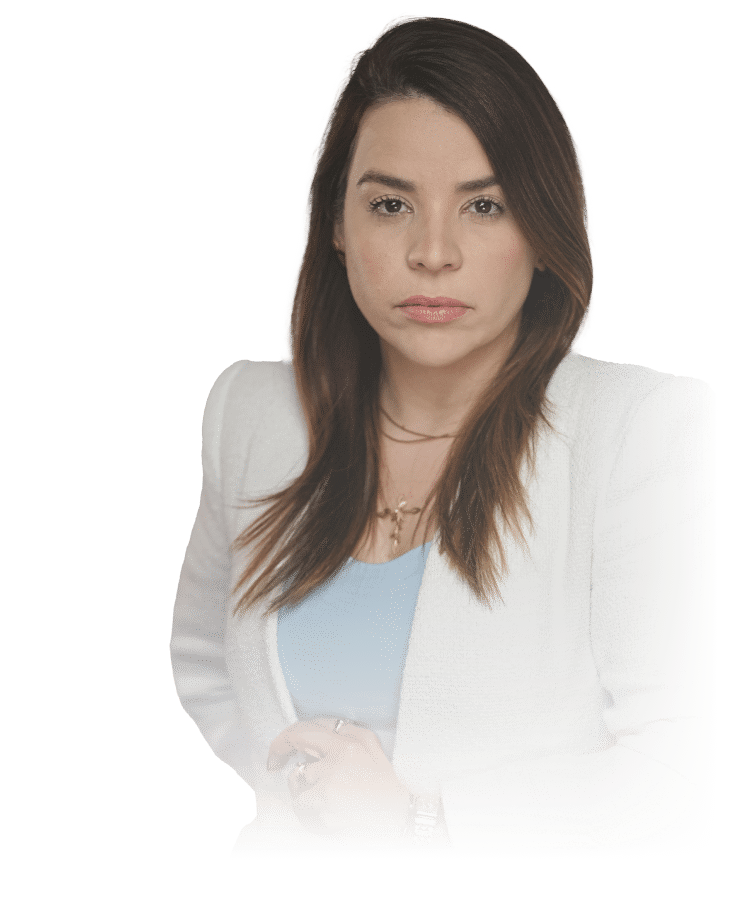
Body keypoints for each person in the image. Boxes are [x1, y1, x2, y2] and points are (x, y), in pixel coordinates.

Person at [170, 13, 715, 856]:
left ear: (543, 232)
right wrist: (313, 803)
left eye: (484, 205)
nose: (433, 252)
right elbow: (205, 666)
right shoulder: (252, 409)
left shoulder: (638, 427)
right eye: (391, 204)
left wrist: (410, 819)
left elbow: (666, 783)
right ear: (337, 224)